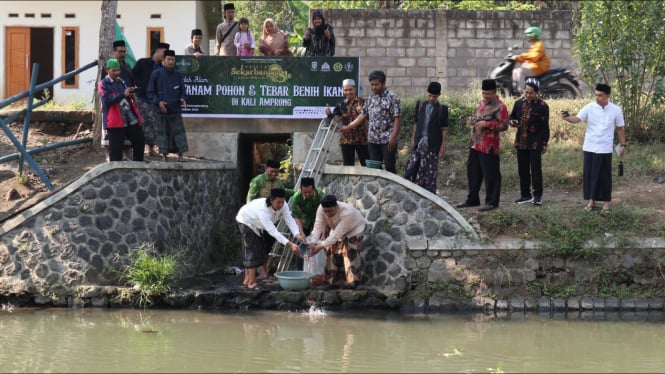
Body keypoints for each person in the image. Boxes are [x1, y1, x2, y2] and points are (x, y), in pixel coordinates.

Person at [562, 83, 626, 213]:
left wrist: (623, 144)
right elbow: (577, 119)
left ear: (608, 96)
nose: (597, 98)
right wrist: (567, 117)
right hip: (590, 146)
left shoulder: (616, 110)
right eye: (596, 95)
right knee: (590, 175)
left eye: (600, 95)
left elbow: (620, 128)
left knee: (604, 176)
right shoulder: (589, 107)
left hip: (605, 148)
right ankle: (591, 201)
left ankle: (606, 204)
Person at [236, 188, 305, 290]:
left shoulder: (284, 204)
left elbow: (289, 219)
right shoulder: (263, 210)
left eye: (282, 202)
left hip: (257, 225)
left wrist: (297, 234)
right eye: (278, 202)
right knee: (252, 250)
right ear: (271, 200)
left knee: (259, 249)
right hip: (246, 221)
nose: (281, 205)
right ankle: (251, 282)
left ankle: (247, 280)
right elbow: (273, 231)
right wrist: (290, 244)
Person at [457, 79, 509, 212]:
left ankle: (492, 202)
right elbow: (480, 119)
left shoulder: (500, 107)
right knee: (473, 173)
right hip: (475, 143)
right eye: (484, 93)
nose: (485, 96)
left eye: (488, 94)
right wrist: (473, 121)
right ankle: (472, 199)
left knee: (491, 174)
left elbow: (504, 126)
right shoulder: (481, 104)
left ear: (494, 92)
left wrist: (487, 125)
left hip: (489, 146)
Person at [343, 70, 401, 173]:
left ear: (383, 83)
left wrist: (393, 137)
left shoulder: (392, 98)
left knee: (389, 167)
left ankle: (390, 189)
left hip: (387, 140)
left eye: (376, 84)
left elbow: (397, 118)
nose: (374, 87)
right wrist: (348, 127)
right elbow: (363, 115)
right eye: (372, 85)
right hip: (373, 139)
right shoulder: (370, 98)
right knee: (374, 168)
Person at [308, 194, 366, 289]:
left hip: (355, 228)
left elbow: (337, 234)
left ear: (336, 207)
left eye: (330, 211)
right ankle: (332, 281)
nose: (327, 214)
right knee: (331, 250)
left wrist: (320, 246)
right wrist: (314, 243)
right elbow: (318, 225)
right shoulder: (321, 208)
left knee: (350, 252)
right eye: (325, 211)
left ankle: (353, 281)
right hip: (336, 228)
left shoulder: (347, 213)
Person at [509, 77, 550, 205]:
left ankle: (537, 196)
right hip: (521, 142)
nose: (528, 95)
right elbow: (512, 117)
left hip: (535, 143)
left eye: (530, 92)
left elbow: (545, 127)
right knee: (523, 169)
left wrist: (544, 143)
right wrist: (512, 122)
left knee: (536, 169)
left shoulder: (543, 106)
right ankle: (525, 195)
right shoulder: (518, 103)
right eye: (526, 92)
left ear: (537, 92)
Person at [404, 81, 449, 193]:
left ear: (438, 95)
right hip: (419, 141)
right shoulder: (420, 105)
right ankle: (412, 189)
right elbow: (416, 123)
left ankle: (428, 193)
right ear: (427, 93)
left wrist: (442, 145)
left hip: (433, 144)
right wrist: (413, 139)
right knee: (412, 166)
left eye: (434, 96)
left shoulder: (442, 109)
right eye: (430, 95)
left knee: (429, 170)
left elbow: (444, 128)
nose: (431, 98)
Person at [98, 58, 145, 162]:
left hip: (129, 116)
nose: (116, 73)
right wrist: (123, 94)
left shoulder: (121, 81)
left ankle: (138, 165)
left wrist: (131, 94)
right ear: (107, 70)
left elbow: (125, 95)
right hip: (115, 119)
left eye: (118, 70)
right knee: (115, 149)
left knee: (139, 141)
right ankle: (116, 170)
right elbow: (107, 100)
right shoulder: (103, 84)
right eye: (113, 70)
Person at [146, 49, 189, 162]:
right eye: (168, 59)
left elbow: (183, 91)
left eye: (173, 59)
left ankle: (180, 156)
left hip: (175, 108)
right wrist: (158, 102)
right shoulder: (156, 74)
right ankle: (164, 156)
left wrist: (183, 98)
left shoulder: (178, 75)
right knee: (163, 134)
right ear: (163, 60)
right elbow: (150, 92)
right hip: (161, 110)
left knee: (178, 133)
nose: (171, 61)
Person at [132, 42, 169, 157]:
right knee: (144, 122)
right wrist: (138, 86)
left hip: (155, 99)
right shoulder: (143, 62)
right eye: (163, 52)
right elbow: (133, 74)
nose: (164, 55)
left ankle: (152, 149)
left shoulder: (162, 68)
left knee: (154, 123)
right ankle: (142, 148)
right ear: (157, 51)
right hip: (142, 97)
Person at [101, 40, 135, 162]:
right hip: (110, 103)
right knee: (108, 131)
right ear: (114, 51)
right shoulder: (107, 66)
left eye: (124, 51)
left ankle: (126, 154)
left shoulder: (127, 66)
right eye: (120, 51)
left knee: (125, 130)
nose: (123, 54)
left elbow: (131, 82)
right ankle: (108, 155)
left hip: (125, 104)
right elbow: (103, 86)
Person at [324, 78, 369, 166]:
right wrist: (329, 114)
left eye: (350, 90)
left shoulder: (363, 102)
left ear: (355, 89)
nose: (348, 92)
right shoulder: (340, 104)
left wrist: (361, 111)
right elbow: (334, 119)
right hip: (346, 140)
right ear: (343, 90)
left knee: (366, 165)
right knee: (348, 166)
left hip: (362, 140)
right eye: (346, 90)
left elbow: (371, 118)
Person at [290, 177, 324, 271]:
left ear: (314, 189)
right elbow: (297, 216)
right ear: (301, 189)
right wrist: (301, 232)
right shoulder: (296, 197)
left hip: (319, 220)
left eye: (310, 192)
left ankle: (318, 270)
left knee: (319, 242)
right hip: (304, 220)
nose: (307, 194)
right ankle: (300, 270)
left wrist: (324, 232)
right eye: (305, 192)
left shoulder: (320, 195)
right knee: (301, 243)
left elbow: (325, 215)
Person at [512, 26, 550, 94]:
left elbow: (534, 57)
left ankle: (522, 92)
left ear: (533, 36)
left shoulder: (539, 45)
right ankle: (516, 89)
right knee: (515, 71)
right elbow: (529, 57)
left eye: (528, 36)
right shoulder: (534, 44)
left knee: (521, 71)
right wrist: (518, 58)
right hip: (535, 65)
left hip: (539, 67)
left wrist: (520, 56)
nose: (527, 38)